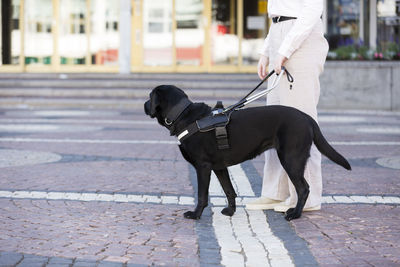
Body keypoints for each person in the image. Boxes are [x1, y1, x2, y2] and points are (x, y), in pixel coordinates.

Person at [246, 0, 329, 213]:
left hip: (300, 39)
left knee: (300, 123)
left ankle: (307, 197)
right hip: (278, 33)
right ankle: (275, 192)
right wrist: (267, 51)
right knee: (273, 124)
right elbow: (278, 14)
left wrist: (285, 49)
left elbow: (312, 10)